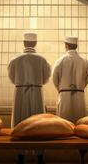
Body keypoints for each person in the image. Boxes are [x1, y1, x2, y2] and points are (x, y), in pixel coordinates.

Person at [8, 32, 51, 164]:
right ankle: (39, 157)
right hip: (37, 92)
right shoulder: (42, 59)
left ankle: (20, 156)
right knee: (38, 124)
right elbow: (46, 78)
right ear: (35, 43)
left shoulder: (15, 59)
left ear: (24, 43)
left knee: (19, 122)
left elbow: (11, 77)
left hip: (20, 92)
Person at [53, 36, 88, 124]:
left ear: (66, 45)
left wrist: (60, 89)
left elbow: (54, 77)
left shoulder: (60, 60)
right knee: (79, 123)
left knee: (64, 124)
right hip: (79, 95)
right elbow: (87, 78)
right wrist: (81, 87)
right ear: (76, 46)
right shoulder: (85, 61)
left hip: (64, 95)